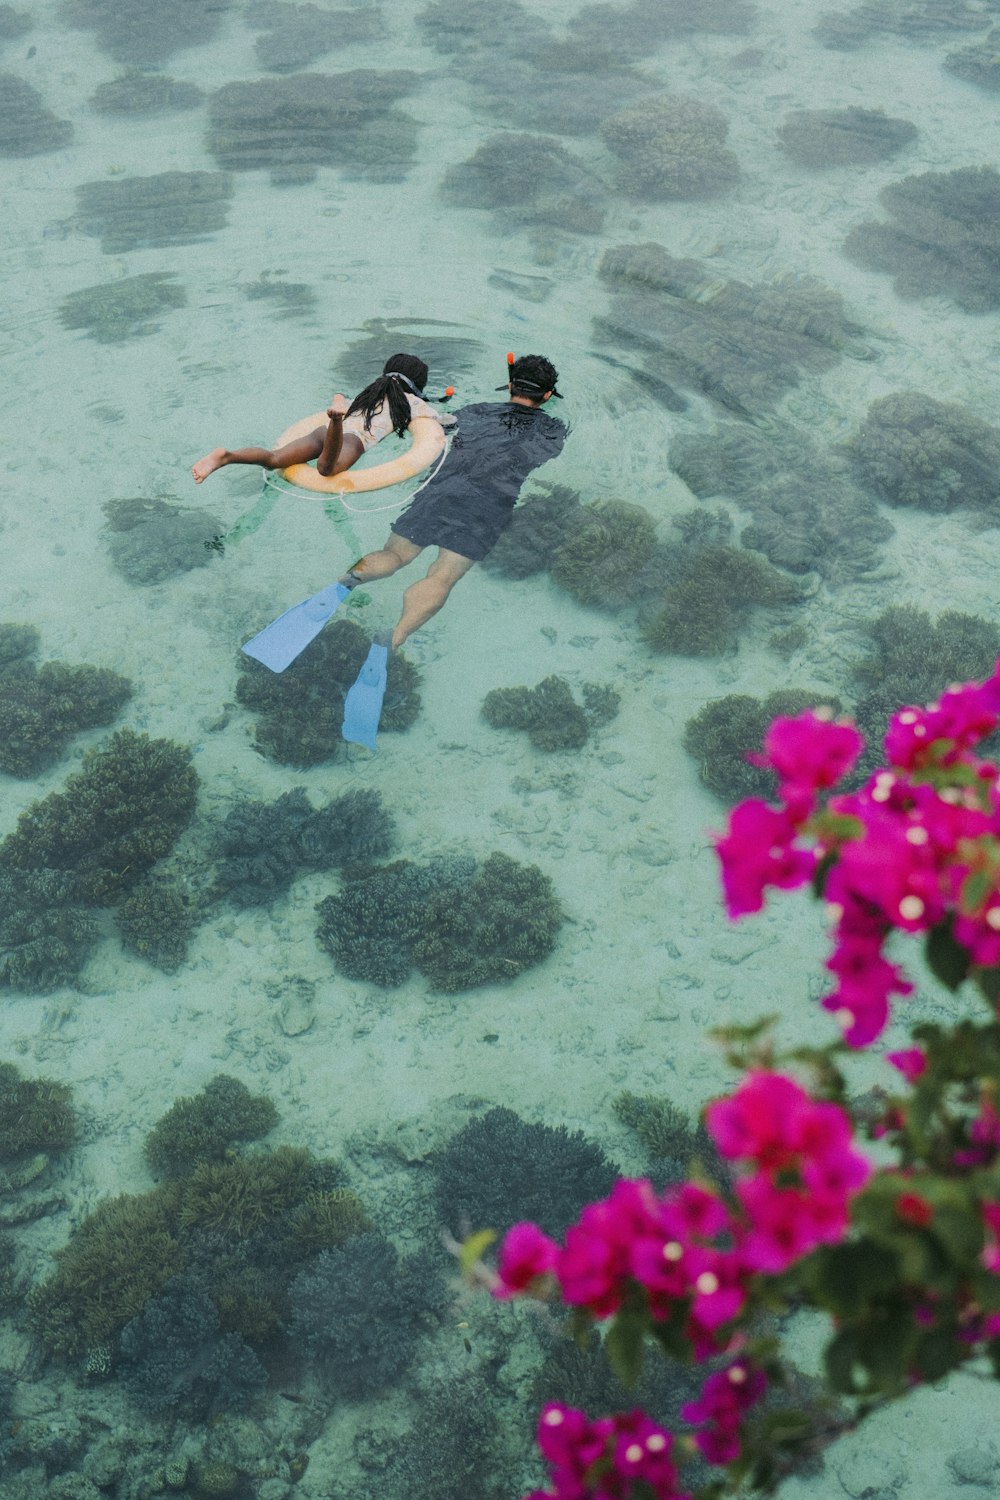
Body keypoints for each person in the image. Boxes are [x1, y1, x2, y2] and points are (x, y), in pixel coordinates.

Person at [339, 353, 567, 651]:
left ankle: (344, 583)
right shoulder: (552, 429)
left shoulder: (476, 411)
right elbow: (540, 458)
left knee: (394, 555)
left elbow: (438, 433)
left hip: (441, 489)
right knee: (443, 576)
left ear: (510, 385)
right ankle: (397, 635)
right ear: (548, 395)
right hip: (487, 506)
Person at [191, 353, 446, 484]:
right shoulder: (413, 403)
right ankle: (335, 418)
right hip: (353, 439)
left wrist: (338, 404)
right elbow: (439, 424)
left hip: (323, 432)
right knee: (327, 470)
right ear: (417, 385)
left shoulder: (370, 392)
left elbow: (348, 400)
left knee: (274, 459)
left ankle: (227, 456)